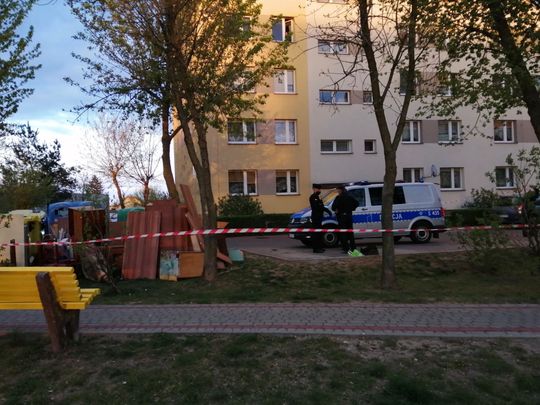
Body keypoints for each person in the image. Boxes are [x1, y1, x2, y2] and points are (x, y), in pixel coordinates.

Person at [332, 185, 362, 256]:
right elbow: (357, 203)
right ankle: (353, 248)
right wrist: (351, 209)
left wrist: (337, 210)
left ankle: (346, 249)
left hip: (341, 217)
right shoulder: (349, 196)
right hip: (349, 216)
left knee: (343, 234)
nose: (337, 191)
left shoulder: (338, 198)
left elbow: (333, 207)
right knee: (350, 233)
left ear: (340, 190)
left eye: (337, 190)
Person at [309, 183, 331, 253]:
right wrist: (321, 206)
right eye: (318, 189)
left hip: (319, 217)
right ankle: (316, 248)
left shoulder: (318, 197)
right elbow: (317, 207)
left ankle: (320, 247)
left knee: (319, 233)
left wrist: (327, 211)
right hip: (315, 217)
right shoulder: (313, 197)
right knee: (316, 233)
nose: (319, 190)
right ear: (314, 189)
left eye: (319, 189)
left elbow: (321, 206)